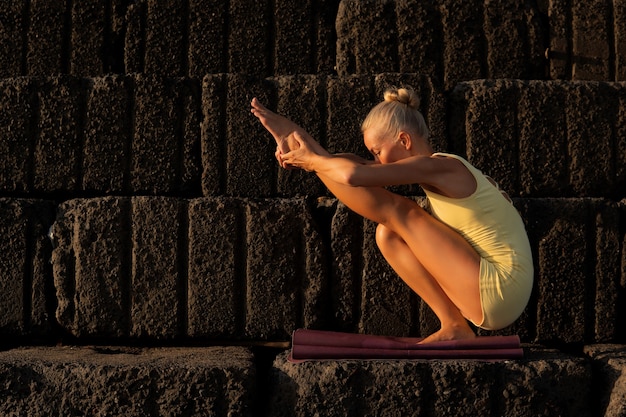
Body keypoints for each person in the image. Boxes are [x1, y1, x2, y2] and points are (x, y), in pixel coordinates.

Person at [250, 88, 533, 343]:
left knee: (402, 212)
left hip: (500, 287)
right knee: (390, 233)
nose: (376, 161)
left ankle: (455, 325)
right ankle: (454, 324)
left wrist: (311, 161)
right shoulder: (439, 170)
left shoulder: (442, 168)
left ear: (404, 140)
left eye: (378, 152)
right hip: (493, 289)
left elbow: (353, 174)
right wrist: (299, 145)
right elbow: (352, 165)